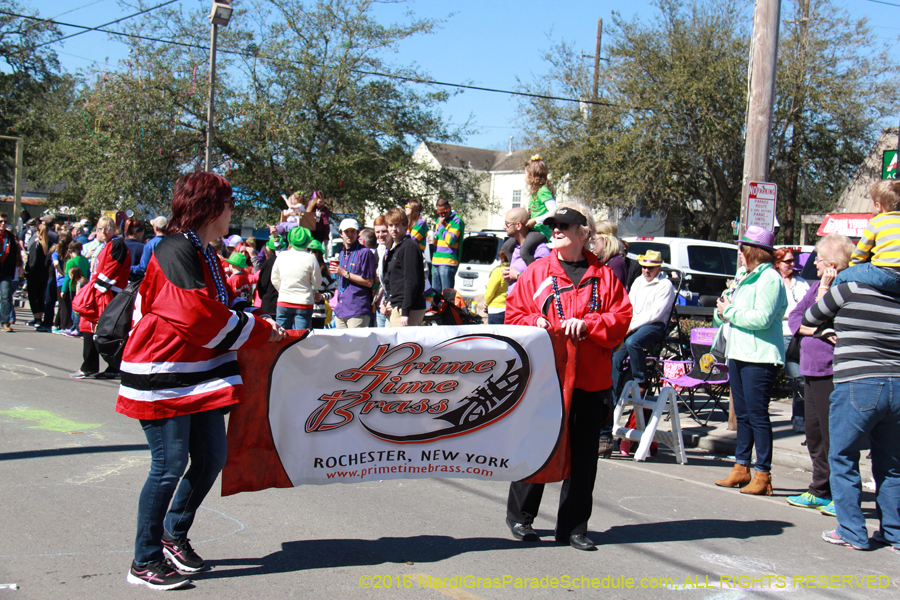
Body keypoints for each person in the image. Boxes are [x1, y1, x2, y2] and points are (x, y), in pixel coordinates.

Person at [115, 172, 284, 590]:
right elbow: (193, 313)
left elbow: (219, 302)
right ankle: (144, 558)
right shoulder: (174, 247)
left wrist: (255, 316)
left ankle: (173, 535)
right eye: (228, 204)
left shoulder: (205, 251)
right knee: (168, 465)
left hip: (196, 374)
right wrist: (257, 329)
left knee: (211, 458)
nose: (232, 212)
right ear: (210, 207)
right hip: (163, 371)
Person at [504, 203, 631, 551]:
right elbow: (514, 315)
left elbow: (621, 319)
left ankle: (574, 527)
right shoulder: (536, 273)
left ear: (583, 232)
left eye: (564, 224)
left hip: (589, 380)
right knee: (539, 447)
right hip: (547, 379)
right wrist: (534, 322)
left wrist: (590, 325)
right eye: (553, 225)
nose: (556, 230)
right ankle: (520, 517)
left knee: (584, 456)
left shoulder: (604, 276)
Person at [802, 265, 900, 552]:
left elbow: (810, 316)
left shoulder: (849, 289)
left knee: (843, 457)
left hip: (858, 382)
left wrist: (829, 326)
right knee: (892, 465)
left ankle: (852, 530)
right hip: (898, 383)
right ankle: (894, 532)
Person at [713, 226, 787, 496]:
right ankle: (741, 466)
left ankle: (763, 473)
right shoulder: (744, 276)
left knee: (757, 416)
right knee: (742, 415)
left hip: (760, 356)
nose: (739, 254)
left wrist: (730, 311)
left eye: (742, 249)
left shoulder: (770, 279)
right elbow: (727, 311)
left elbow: (762, 318)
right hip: (739, 352)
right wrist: (723, 310)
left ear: (754, 251)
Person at [785, 234, 854, 514]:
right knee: (813, 433)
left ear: (833, 265)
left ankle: (841, 494)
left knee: (832, 435)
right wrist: (816, 330)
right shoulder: (815, 287)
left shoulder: (843, 287)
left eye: (820, 259)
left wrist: (825, 290)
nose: (814, 262)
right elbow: (795, 319)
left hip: (831, 371)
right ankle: (819, 488)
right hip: (810, 368)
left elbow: (822, 315)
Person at [70, 216, 131, 379]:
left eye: (107, 228)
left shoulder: (116, 244)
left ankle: (111, 367)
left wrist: (94, 289)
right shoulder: (107, 245)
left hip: (107, 293)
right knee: (91, 328)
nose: (103, 231)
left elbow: (111, 270)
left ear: (113, 229)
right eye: (99, 228)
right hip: (101, 291)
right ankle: (92, 365)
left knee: (105, 331)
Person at [833, 180, 900, 293]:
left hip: (884, 274)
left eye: (871, 202)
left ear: (878, 206)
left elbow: (860, 253)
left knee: (842, 277)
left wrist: (853, 268)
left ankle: (830, 306)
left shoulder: (876, 222)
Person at [774, 247, 810, 433]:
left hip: (799, 335)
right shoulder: (774, 282)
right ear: (778, 263)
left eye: (793, 261)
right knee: (771, 377)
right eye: (787, 261)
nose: (791, 265)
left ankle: (799, 418)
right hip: (779, 334)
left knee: (799, 378)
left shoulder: (801, 283)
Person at [501, 155, 556, 268]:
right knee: (506, 247)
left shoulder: (543, 191)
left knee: (524, 251)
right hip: (532, 229)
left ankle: (531, 273)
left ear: (532, 175)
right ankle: (513, 268)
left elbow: (553, 211)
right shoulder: (535, 193)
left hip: (541, 231)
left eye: (525, 174)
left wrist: (535, 220)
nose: (524, 177)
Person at [271, 226, 321, 331]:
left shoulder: (282, 256)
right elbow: (317, 283)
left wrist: (283, 290)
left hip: (284, 301)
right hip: (304, 303)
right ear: (307, 241)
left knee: (281, 337)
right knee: (301, 339)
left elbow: (274, 278)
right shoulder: (311, 258)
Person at [330, 218, 376, 328]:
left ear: (358, 233)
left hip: (357, 310)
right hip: (341, 310)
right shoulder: (341, 253)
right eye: (346, 232)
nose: (349, 235)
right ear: (341, 234)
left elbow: (369, 282)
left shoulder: (365, 253)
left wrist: (345, 273)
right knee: (341, 345)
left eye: (353, 231)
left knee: (356, 344)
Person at [384, 208, 426, 327]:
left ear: (405, 225)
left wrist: (405, 313)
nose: (393, 229)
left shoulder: (408, 247)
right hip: (398, 306)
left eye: (397, 225)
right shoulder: (398, 247)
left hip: (408, 309)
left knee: (403, 345)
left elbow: (411, 281)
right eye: (390, 225)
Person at [501, 208, 550, 291]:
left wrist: (518, 275)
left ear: (518, 225)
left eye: (507, 224)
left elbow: (544, 282)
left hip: (530, 303)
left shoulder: (541, 250)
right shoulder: (514, 248)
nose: (504, 227)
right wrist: (509, 274)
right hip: (513, 302)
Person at [431, 198, 464, 293]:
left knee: (446, 294)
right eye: (439, 212)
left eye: (444, 211)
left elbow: (450, 240)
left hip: (447, 262)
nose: (442, 214)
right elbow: (439, 237)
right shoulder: (439, 220)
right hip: (436, 261)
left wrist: (441, 226)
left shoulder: (456, 220)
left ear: (449, 207)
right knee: (435, 295)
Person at [25, 220, 50, 327]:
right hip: (45, 275)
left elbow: (33, 261)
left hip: (34, 275)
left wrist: (27, 271)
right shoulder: (50, 244)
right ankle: (40, 316)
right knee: (40, 296)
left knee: (32, 296)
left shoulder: (36, 244)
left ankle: (37, 318)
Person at [0, 213, 22, 333]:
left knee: (6, 297)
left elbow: (15, 254)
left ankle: (5, 322)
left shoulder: (10, 237)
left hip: (6, 272)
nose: (3, 224)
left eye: (4, 221)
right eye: (0, 221)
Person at [594, 220, 628, 288]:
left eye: (595, 239)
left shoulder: (616, 263)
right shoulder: (603, 261)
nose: (592, 243)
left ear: (606, 241)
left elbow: (615, 293)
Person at [373, 215, 393, 328]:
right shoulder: (380, 250)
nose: (380, 235)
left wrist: (389, 302)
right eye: (377, 232)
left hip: (394, 305)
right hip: (381, 305)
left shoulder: (400, 249)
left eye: (384, 231)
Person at [483, 248, 509, 325]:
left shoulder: (498, 271)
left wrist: (486, 303)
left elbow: (490, 291)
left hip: (496, 309)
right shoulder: (513, 270)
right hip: (507, 308)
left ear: (500, 258)